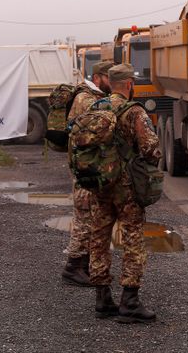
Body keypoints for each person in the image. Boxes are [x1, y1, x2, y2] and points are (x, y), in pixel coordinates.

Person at [89, 63, 161, 323]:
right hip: (127, 188)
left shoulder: (95, 108)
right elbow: (151, 148)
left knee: (99, 238)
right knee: (132, 239)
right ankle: (129, 300)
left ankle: (102, 298)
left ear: (109, 81)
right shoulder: (134, 112)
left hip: (99, 184)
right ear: (129, 84)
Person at [61, 61, 114, 286]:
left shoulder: (91, 96)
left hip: (87, 166)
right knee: (83, 217)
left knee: (90, 216)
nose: (112, 83)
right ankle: (73, 266)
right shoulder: (86, 99)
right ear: (99, 76)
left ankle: (84, 264)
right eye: (109, 78)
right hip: (84, 168)